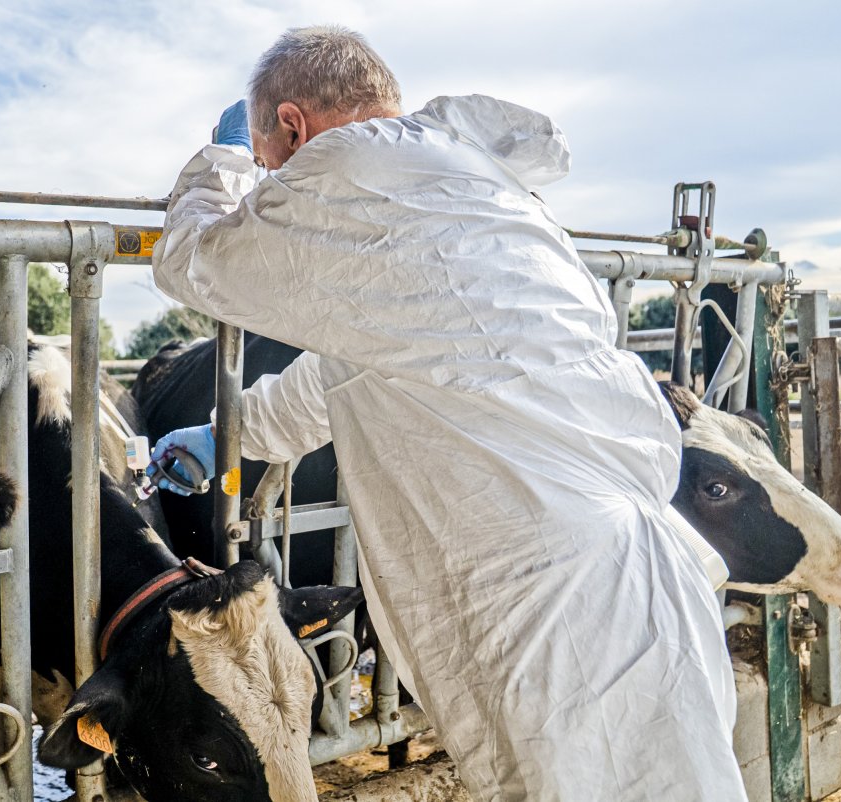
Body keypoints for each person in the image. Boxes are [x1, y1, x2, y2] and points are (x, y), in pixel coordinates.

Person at [148, 25, 746, 802]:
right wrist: (240, 430)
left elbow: (195, 260)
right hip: (632, 566)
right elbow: (375, 358)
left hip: (550, 600)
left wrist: (223, 162)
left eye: (269, 162)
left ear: (293, 127)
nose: (270, 181)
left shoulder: (343, 173)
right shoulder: (467, 184)